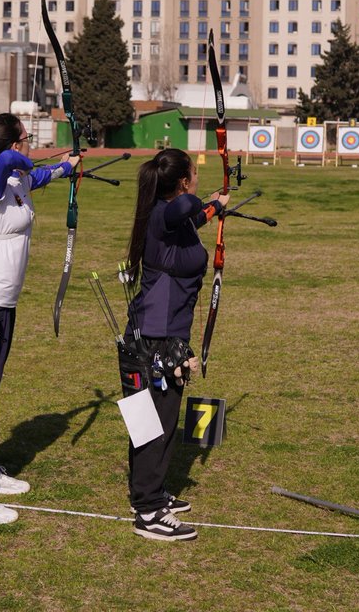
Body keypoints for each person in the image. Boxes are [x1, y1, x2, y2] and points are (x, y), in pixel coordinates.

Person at [0, 113, 78, 524]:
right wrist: (24, 156)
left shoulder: (15, 180)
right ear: (13, 143)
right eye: (26, 138)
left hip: (1, 302)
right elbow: (11, 165)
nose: (29, 143)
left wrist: (66, 167)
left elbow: (36, 178)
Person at [121, 148, 228, 541]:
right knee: (154, 424)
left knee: (155, 419)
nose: (196, 180)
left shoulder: (172, 218)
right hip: (155, 337)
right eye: (193, 175)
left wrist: (214, 209)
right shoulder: (165, 213)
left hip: (163, 333)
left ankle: (147, 493)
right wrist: (210, 202)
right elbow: (186, 207)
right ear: (183, 182)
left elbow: (193, 216)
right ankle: (148, 512)